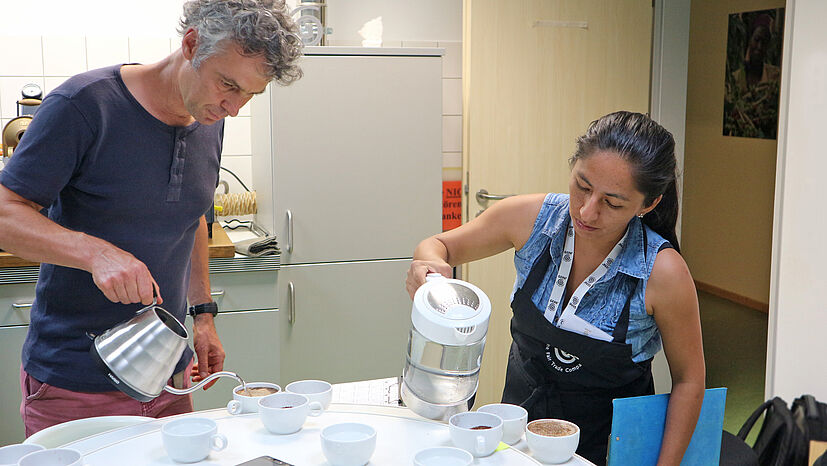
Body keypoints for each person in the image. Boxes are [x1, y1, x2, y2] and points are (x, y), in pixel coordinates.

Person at [0, 0, 302, 436]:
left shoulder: (209, 117)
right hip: (76, 380)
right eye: (227, 84)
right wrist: (94, 253)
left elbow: (193, 218)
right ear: (192, 44)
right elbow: (6, 213)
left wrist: (202, 316)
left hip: (168, 377)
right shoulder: (84, 105)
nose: (233, 107)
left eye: (248, 95)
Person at [406, 111, 705, 465]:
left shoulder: (662, 272)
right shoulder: (531, 219)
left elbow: (689, 379)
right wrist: (428, 270)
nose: (587, 211)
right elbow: (438, 245)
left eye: (612, 202)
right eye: (582, 185)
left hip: (608, 446)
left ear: (649, 204)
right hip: (517, 433)